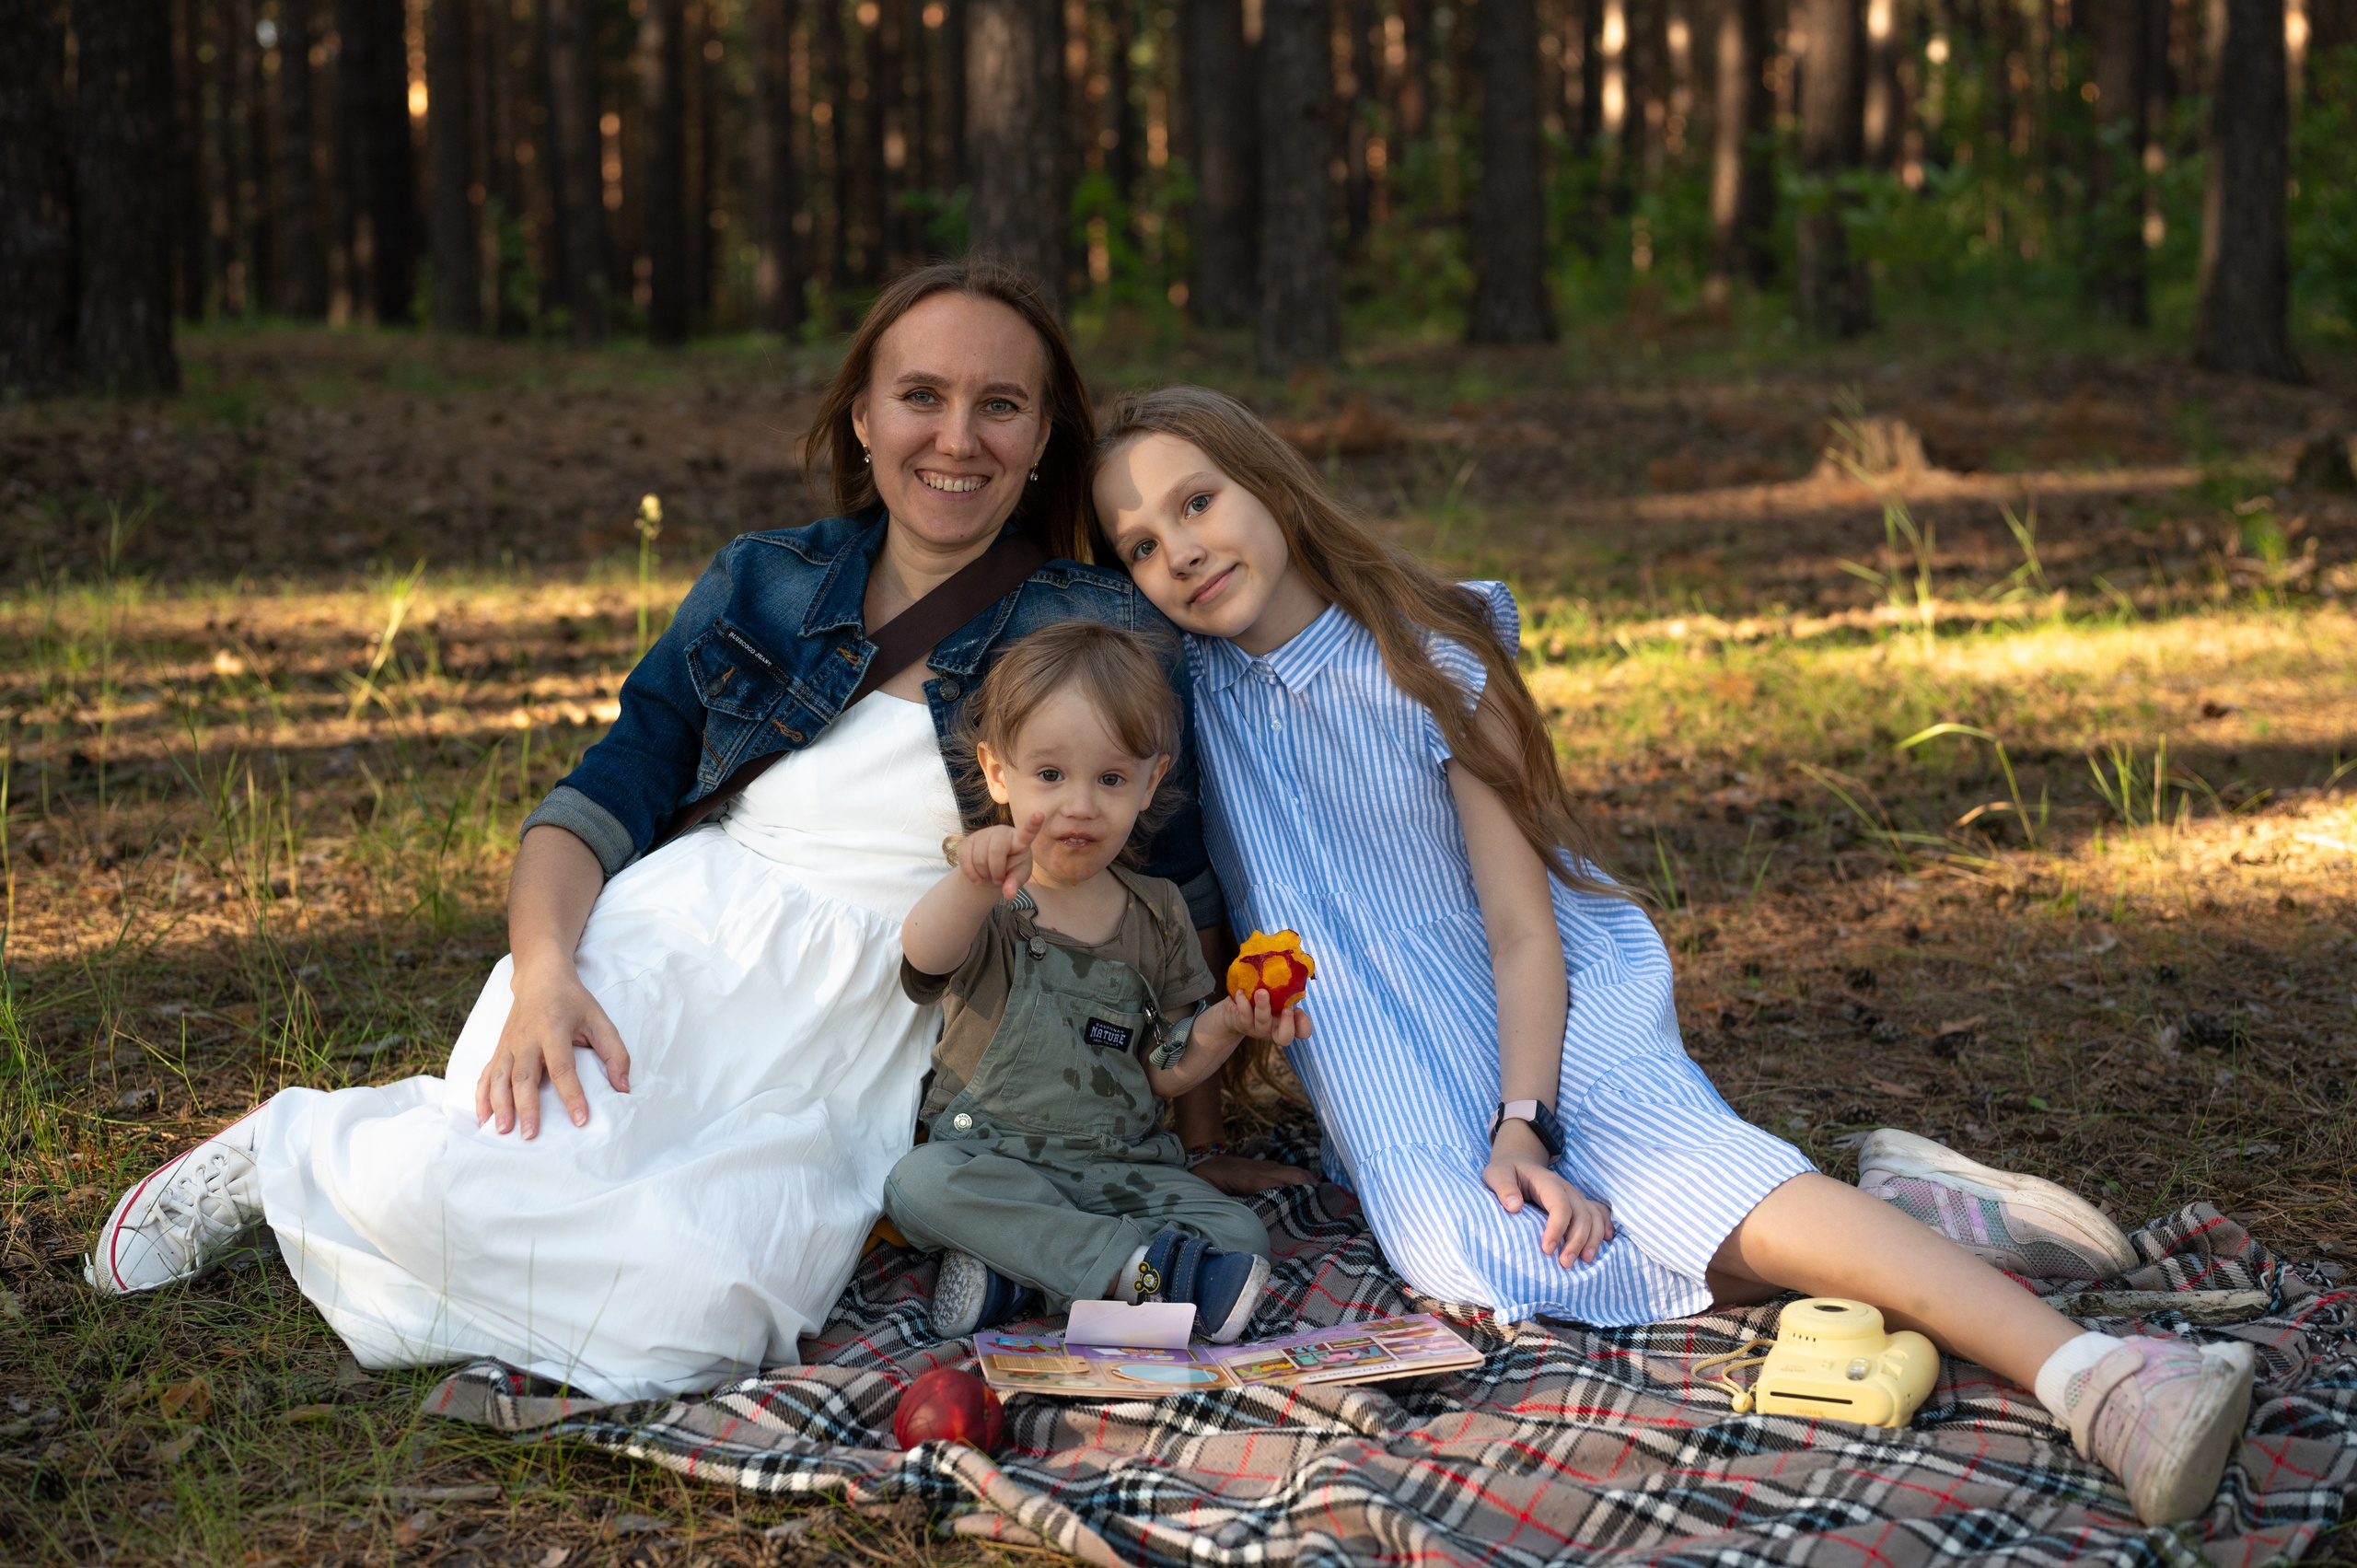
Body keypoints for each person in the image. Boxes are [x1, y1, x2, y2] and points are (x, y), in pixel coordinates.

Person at [79, 260, 1299, 1403]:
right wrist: (547, 977)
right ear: (864, 415)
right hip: (681, 945)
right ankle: (293, 1144)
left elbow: (1170, 888)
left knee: (700, 1317)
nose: (957, 436)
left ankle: (375, 1176)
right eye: (921, 396)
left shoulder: (1094, 620)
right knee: (473, 1171)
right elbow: (603, 794)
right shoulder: (764, 582)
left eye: (1001, 405)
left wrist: (1187, 1143)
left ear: (1042, 441)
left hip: (881, 1009)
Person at [1086, 384, 2256, 1530]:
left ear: (1273, 488)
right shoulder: (1190, 694)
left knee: (1672, 1180)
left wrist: (1523, 1116)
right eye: (1140, 544)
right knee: (1467, 1256)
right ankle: (1894, 1217)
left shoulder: (1426, 657)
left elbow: (1520, 928)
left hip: (1548, 1006)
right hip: (1391, 1049)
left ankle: (2098, 1377)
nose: (1179, 552)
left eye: (1198, 502)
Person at [884, 622, 1278, 1342]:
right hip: (993, 1157)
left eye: (1111, 778)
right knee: (918, 1185)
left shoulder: (1159, 914)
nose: (1080, 805)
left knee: (1239, 1229)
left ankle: (1013, 1278)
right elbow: (924, 957)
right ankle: (1132, 1274)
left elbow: (1167, 1070)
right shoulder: (991, 895)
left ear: (1151, 780)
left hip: (1119, 1170)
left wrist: (1225, 1024)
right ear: (998, 773)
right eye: (1050, 775)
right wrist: (972, 884)